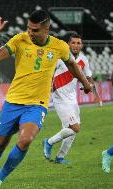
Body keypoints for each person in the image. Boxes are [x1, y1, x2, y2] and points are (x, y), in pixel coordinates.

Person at [0, 10, 93, 189]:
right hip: (13, 101)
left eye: (35, 30)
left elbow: (72, 64)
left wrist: (86, 83)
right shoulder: (19, 39)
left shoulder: (59, 46)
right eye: (28, 28)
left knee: (25, 140)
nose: (30, 33)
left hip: (37, 105)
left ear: (46, 30)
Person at [42, 34, 102, 164]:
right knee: (75, 127)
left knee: (71, 132)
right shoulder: (60, 57)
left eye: (78, 43)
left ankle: (60, 157)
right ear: (68, 44)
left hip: (72, 99)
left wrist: (93, 92)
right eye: (73, 43)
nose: (76, 45)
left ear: (82, 45)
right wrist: (49, 87)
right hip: (60, 98)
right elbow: (49, 72)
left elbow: (89, 77)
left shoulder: (83, 60)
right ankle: (48, 142)